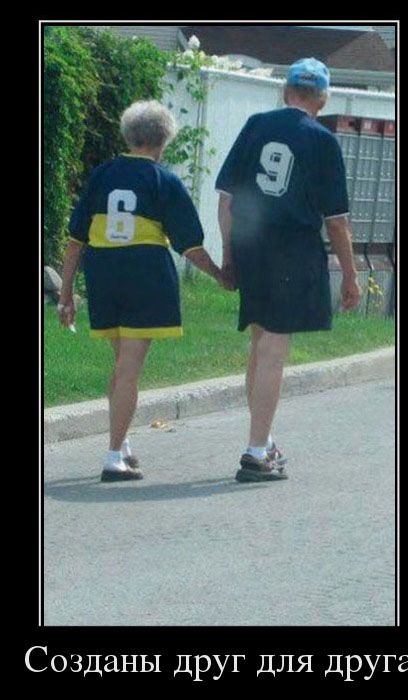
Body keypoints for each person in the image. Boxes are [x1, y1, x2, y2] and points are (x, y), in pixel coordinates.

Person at [58, 100, 229, 482]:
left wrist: (66, 293)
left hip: (103, 273)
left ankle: (122, 444)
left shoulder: (102, 174)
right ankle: (112, 456)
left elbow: (74, 241)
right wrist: (219, 275)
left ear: (128, 135)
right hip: (144, 274)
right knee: (129, 368)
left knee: (122, 363)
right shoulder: (162, 180)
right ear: (164, 139)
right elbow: (190, 246)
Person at [216, 57, 361, 483]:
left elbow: (226, 199)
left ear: (286, 91)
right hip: (292, 247)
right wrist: (350, 275)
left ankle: (264, 440)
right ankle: (256, 451)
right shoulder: (322, 140)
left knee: (260, 341)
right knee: (274, 349)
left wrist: (229, 252)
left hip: (251, 241)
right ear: (323, 98)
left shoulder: (255, 125)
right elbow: (336, 220)